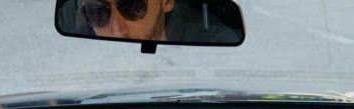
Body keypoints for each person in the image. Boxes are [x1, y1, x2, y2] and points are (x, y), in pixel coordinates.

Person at [64, 0, 240, 44]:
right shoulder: (73, 30)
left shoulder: (213, 40)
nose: (117, 31)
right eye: (97, 10)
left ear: (167, 1)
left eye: (133, 6)